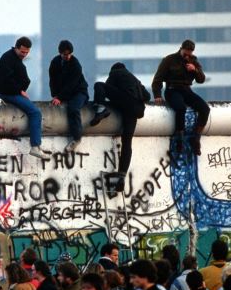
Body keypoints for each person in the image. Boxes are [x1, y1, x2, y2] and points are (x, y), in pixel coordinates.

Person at [90, 62, 150, 192]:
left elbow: (106, 88)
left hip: (126, 103)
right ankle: (122, 176)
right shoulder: (135, 79)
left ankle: (100, 110)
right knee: (127, 142)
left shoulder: (115, 73)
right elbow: (147, 96)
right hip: (135, 110)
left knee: (98, 85)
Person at [152, 39, 210, 155]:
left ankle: (196, 138)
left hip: (186, 90)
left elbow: (201, 79)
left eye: (190, 52)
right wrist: (157, 95)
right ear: (181, 49)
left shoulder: (194, 61)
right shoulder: (169, 60)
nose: (188, 55)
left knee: (205, 108)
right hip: (172, 90)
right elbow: (157, 79)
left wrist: (195, 70)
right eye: (186, 52)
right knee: (180, 108)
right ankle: (180, 138)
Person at [0, 36, 49, 159]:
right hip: (6, 93)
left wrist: (21, 89)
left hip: (12, 92)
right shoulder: (8, 58)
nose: (24, 54)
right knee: (35, 113)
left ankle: (37, 146)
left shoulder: (16, 59)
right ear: (16, 48)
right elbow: (6, 81)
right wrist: (19, 90)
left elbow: (24, 79)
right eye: (22, 51)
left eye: (27, 52)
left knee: (33, 111)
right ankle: (35, 146)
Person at [48, 40, 89, 152]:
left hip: (79, 92)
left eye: (69, 54)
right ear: (60, 53)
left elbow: (72, 85)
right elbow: (52, 80)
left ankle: (77, 138)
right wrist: (55, 95)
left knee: (73, 108)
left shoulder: (76, 64)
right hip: (65, 93)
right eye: (65, 54)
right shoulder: (55, 62)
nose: (67, 56)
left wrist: (59, 97)